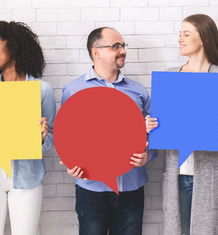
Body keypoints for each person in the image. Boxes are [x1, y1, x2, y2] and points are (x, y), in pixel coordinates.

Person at [144, 14, 218, 235]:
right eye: (180, 35)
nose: (180, 39)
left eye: (186, 34)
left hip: (212, 177)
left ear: (204, 38)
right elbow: (160, 127)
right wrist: (150, 126)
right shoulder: (169, 76)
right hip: (176, 176)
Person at [60, 27, 156, 235]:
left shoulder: (138, 91)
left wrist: (148, 155)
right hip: (92, 190)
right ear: (96, 52)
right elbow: (67, 138)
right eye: (116, 46)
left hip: (131, 189)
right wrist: (71, 164)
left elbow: (155, 135)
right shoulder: (73, 90)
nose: (122, 51)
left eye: (123, 46)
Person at [0, 20, 55, 235]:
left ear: (13, 46)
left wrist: (42, 136)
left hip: (26, 179)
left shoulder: (42, 90)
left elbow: (51, 140)